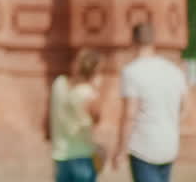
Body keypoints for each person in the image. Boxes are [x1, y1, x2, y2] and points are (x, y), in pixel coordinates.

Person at [112, 22, 190, 182]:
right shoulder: (174, 71)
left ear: (133, 41)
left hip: (143, 147)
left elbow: (129, 115)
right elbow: (187, 108)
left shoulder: (131, 72)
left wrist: (121, 150)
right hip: (169, 144)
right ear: (154, 41)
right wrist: (169, 122)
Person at [50, 49, 104, 182]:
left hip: (60, 155)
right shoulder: (88, 94)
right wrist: (96, 89)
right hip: (82, 157)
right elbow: (97, 119)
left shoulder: (59, 83)